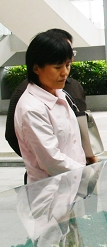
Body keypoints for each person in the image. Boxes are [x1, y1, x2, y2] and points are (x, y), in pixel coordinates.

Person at [14, 31, 87, 183]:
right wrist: (88, 173)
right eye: (58, 67)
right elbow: (52, 161)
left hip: (73, 184)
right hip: (50, 191)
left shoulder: (60, 93)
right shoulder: (31, 108)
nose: (65, 72)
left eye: (68, 65)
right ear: (36, 68)